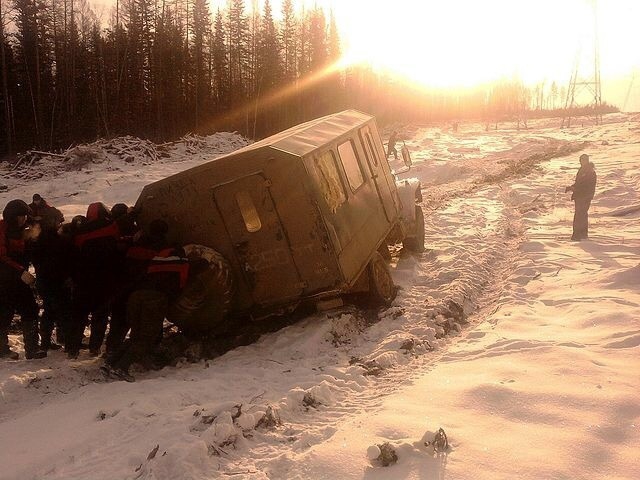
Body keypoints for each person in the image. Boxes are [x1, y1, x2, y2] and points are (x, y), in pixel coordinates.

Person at [103, 246, 209, 382]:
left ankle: (110, 363)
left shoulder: (157, 263)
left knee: (136, 335)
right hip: (154, 300)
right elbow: (200, 266)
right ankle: (122, 367)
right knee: (146, 338)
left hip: (135, 297)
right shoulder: (183, 265)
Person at [67, 202, 120, 358]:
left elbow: (73, 255)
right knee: (100, 316)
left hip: (83, 282)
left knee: (78, 316)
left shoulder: (79, 232)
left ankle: (72, 349)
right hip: (103, 282)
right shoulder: (111, 227)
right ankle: (94, 347)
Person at [0, 200, 47, 359]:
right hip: (4, 279)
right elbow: (1, 256)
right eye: (20, 216)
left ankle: (32, 348)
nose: (23, 219)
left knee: (30, 309)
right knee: (4, 312)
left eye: (25, 216)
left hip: (19, 278)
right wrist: (20, 271)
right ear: (11, 216)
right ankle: (1, 349)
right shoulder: (2, 229)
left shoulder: (25, 230)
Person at [565, 153, 597, 241]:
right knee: (582, 214)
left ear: (587, 160)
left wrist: (575, 188)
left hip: (584, 196)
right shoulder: (582, 170)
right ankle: (582, 234)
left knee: (579, 215)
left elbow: (586, 186)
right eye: (581, 160)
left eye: (584, 160)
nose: (582, 162)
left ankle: (577, 235)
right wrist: (571, 187)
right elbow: (579, 183)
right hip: (580, 196)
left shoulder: (590, 171)